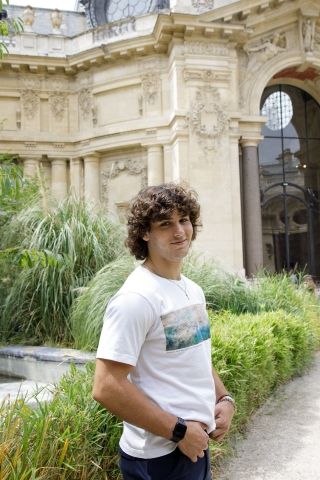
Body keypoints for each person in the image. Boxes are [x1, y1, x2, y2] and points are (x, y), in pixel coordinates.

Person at [92, 183, 235, 480]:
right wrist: (179, 431)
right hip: (157, 459)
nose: (179, 231)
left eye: (184, 220)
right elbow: (106, 385)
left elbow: (194, 352)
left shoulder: (191, 289)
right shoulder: (136, 298)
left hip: (193, 447)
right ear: (145, 233)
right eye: (165, 224)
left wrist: (223, 400)